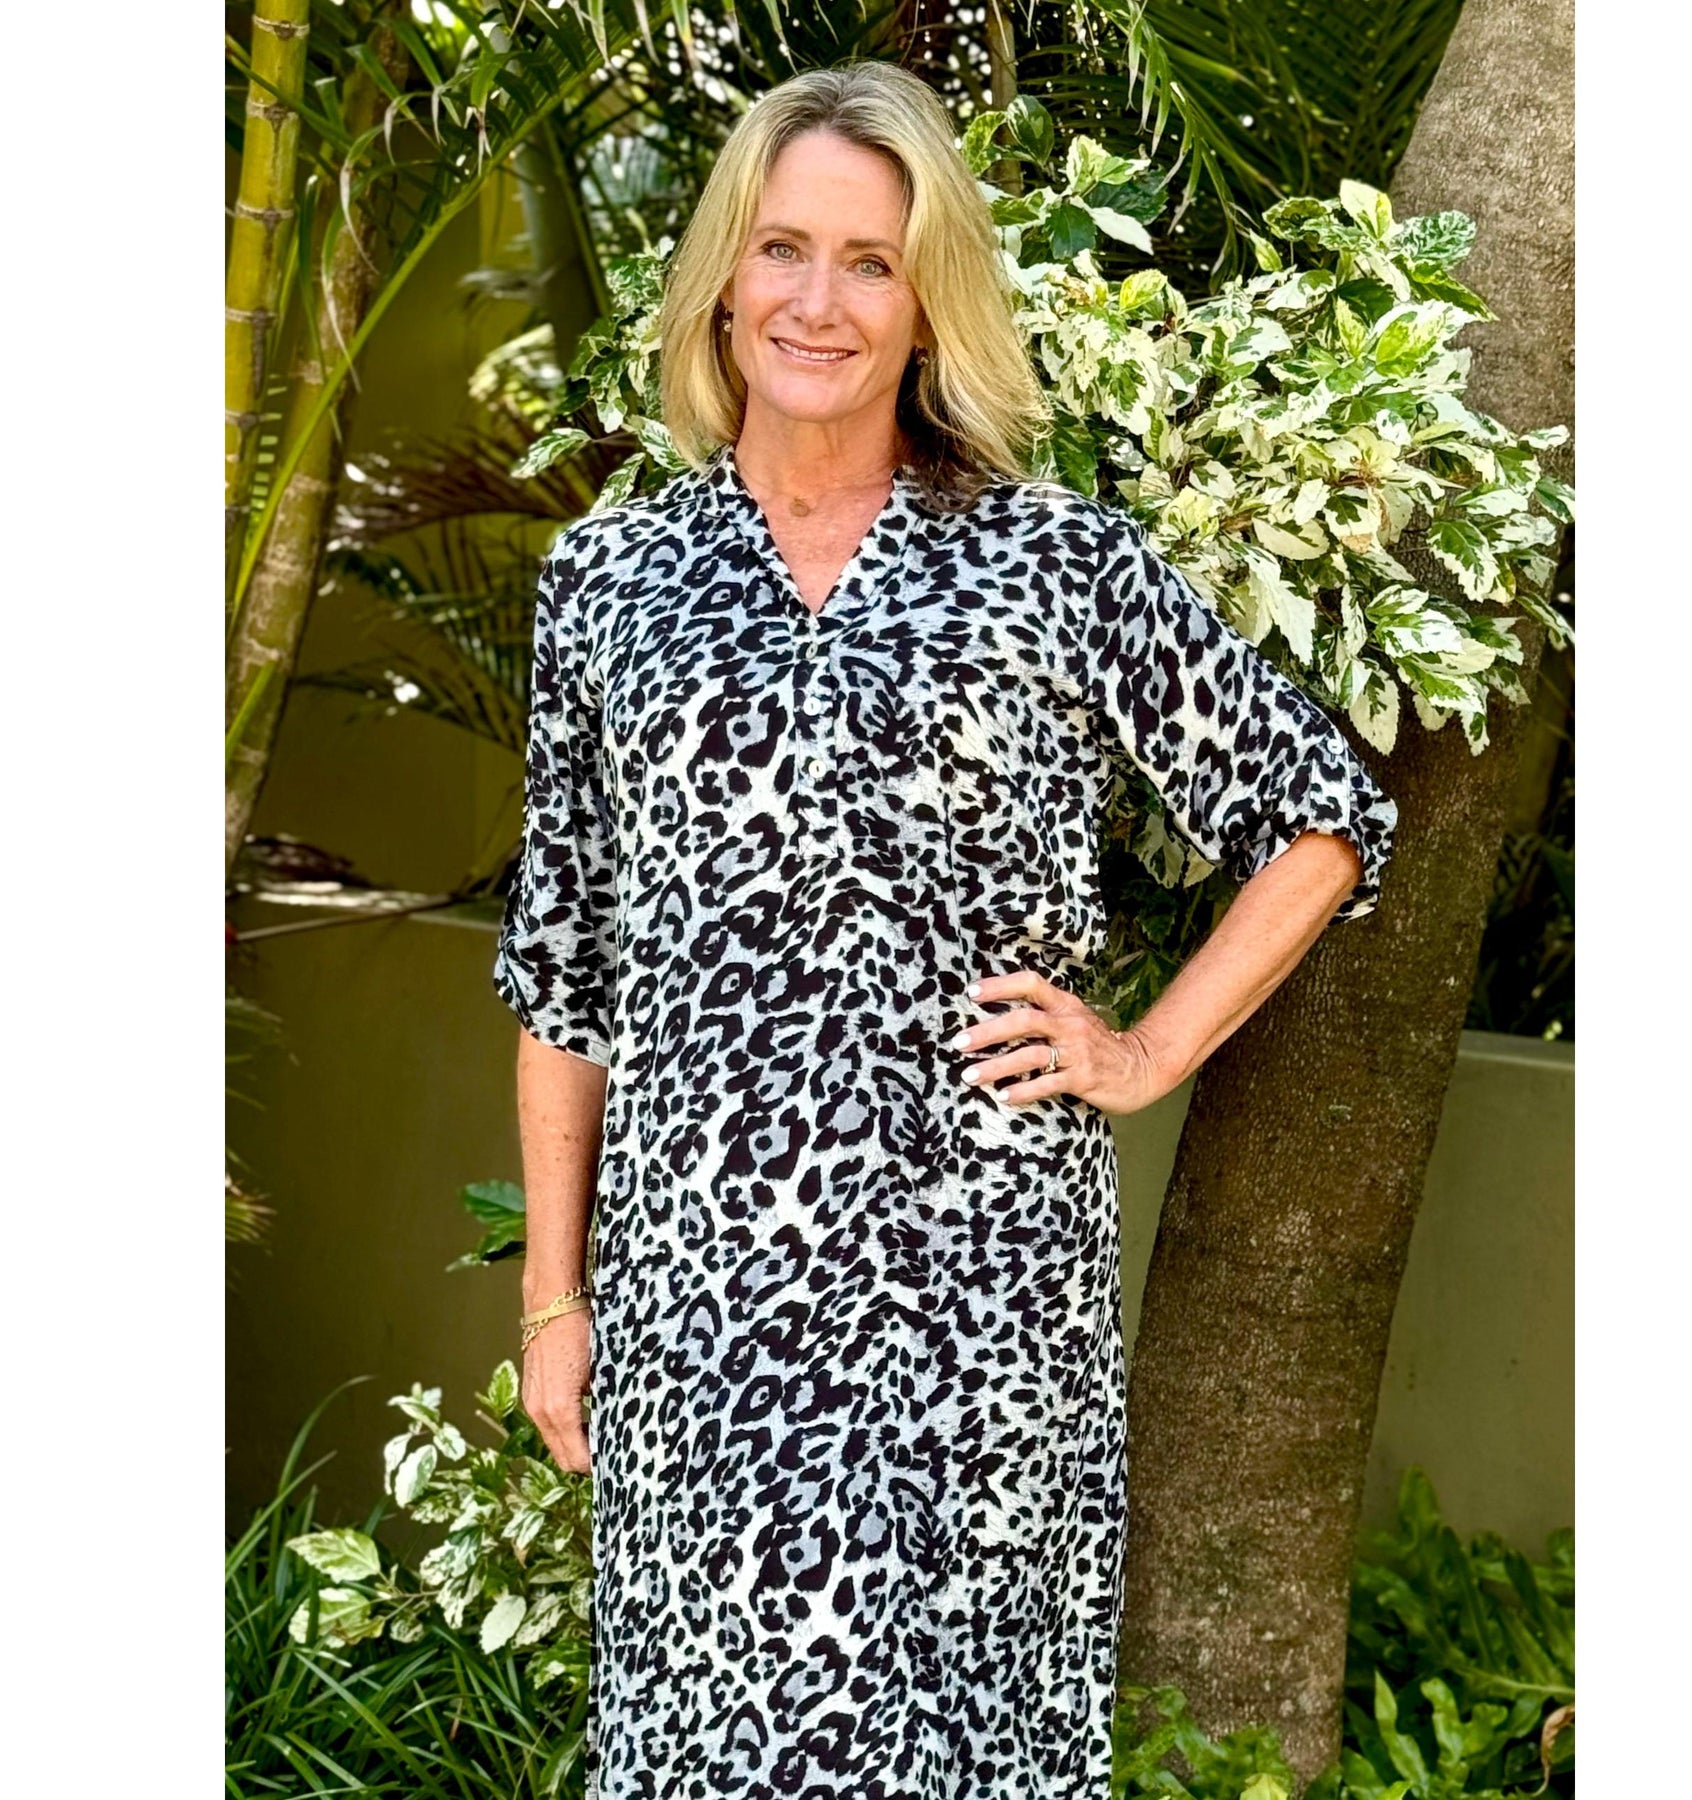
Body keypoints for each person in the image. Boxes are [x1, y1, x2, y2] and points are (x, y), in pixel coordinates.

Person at [494, 59, 1397, 1800]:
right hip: (701, 1309)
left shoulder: (1057, 564)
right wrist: (554, 1302)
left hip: (981, 1311)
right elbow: (564, 969)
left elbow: (1320, 814)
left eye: (872, 263)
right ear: (724, 277)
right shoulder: (610, 583)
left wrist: (1145, 1048)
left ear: (927, 308)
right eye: (782, 249)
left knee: (971, 1749)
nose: (817, 302)